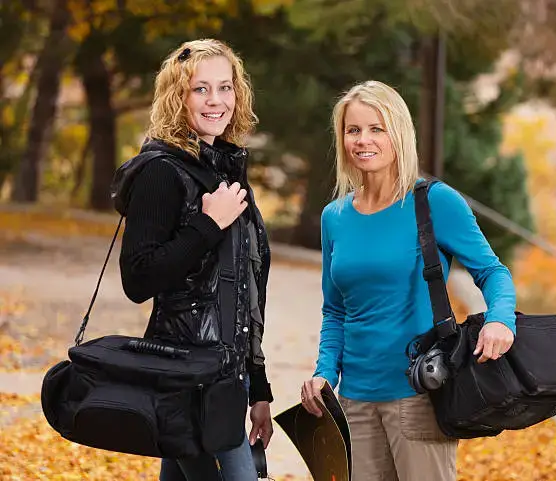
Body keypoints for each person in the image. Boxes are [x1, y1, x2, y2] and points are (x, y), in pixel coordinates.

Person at [300, 80, 517, 481]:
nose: (363, 140)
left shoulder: (435, 202)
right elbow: (335, 310)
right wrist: (325, 372)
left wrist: (500, 319)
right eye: (353, 130)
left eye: (376, 128)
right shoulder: (335, 217)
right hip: (354, 404)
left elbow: (492, 272)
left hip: (419, 396)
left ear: (398, 132)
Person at [116, 39, 274, 481]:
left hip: (225, 380)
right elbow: (138, 278)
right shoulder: (161, 172)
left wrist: (257, 387)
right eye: (200, 89)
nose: (216, 101)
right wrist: (206, 227)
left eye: (225, 88)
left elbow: (244, 293)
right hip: (184, 377)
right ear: (177, 96)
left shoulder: (225, 169)